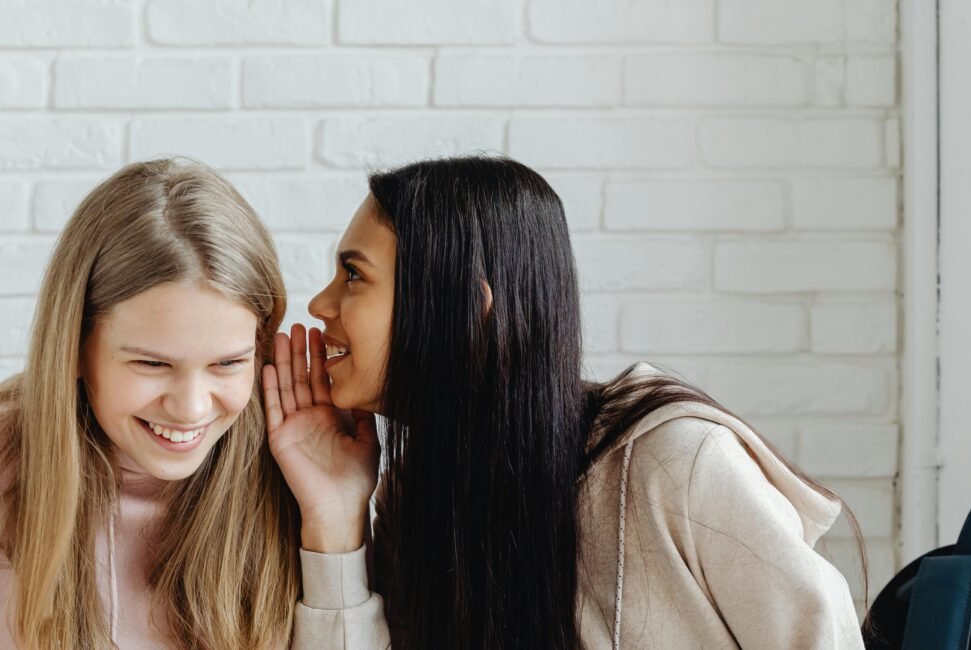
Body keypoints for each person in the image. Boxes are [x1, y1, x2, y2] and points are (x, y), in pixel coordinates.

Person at [265, 155, 865, 649]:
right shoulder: (415, 494)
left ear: (468, 310)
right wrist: (336, 520)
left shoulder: (674, 462)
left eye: (353, 275)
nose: (319, 305)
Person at [0, 159, 306, 649]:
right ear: (75, 347)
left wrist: (333, 525)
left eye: (227, 364)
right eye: (152, 365)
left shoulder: (288, 462)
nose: (190, 407)